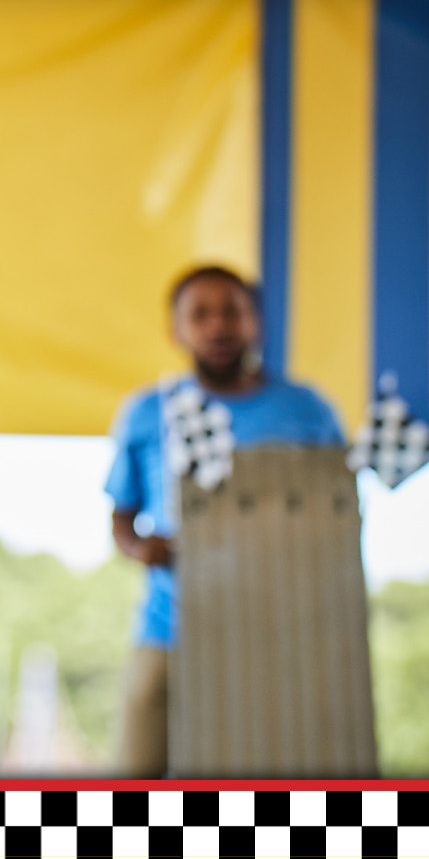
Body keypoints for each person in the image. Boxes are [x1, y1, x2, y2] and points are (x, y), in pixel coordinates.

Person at [104, 266, 342, 778]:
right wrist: (143, 547)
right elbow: (120, 517)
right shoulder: (149, 411)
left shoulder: (308, 411)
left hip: (282, 634)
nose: (218, 326)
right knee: (135, 769)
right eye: (201, 314)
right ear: (177, 329)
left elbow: (337, 511)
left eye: (231, 311)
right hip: (169, 626)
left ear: (255, 322)